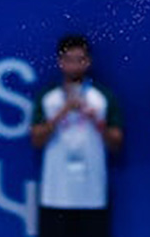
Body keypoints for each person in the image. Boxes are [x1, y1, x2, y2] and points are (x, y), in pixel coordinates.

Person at [31, 35, 123, 237]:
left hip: (92, 194)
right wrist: (60, 114)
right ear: (60, 62)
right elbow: (36, 140)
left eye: (79, 59)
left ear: (88, 61)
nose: (74, 65)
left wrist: (96, 120)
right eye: (68, 59)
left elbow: (117, 143)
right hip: (56, 194)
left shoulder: (102, 97)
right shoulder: (48, 97)